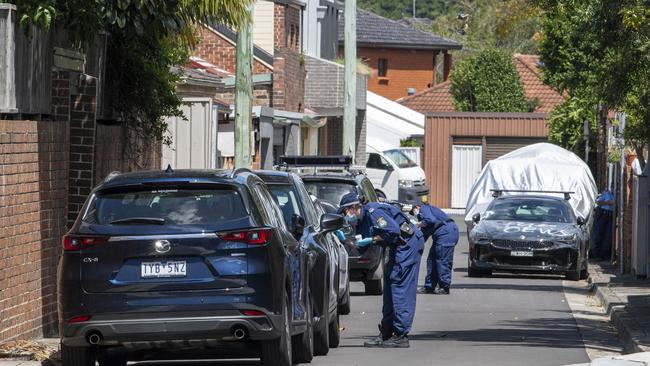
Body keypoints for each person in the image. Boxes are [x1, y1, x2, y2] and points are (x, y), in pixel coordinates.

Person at [338, 193, 424, 348]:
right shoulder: (363, 219)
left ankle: (401, 335)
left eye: (345, 211)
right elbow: (362, 246)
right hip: (398, 245)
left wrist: (372, 239)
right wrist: (348, 241)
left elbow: (392, 231)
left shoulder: (373, 212)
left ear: (353, 208)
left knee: (399, 286)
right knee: (390, 286)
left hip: (407, 244)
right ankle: (386, 332)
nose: (345, 216)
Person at [411, 202, 459, 295]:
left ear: (417, 207)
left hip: (446, 232)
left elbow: (430, 220)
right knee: (431, 259)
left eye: (413, 212)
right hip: (443, 233)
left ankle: (445, 287)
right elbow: (423, 236)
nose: (415, 215)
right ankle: (429, 286)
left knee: (442, 259)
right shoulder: (424, 218)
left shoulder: (423, 209)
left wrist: (417, 224)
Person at [592, 189, 615, 261]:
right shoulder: (606, 193)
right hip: (603, 215)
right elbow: (598, 201)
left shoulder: (619, 194)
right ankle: (597, 255)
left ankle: (605, 254)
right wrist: (607, 202)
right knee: (598, 234)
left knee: (609, 236)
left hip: (611, 216)